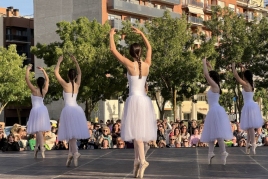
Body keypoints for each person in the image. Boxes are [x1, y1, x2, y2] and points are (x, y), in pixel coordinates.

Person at [110, 27, 157, 178]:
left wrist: (111, 35)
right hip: (143, 100)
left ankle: (142, 160)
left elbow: (113, 50)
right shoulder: (147, 65)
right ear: (140, 52)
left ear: (131, 53)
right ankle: (137, 160)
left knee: (136, 134)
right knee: (139, 133)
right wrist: (142, 34)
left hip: (135, 100)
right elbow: (150, 47)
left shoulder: (130, 65)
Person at [55, 55, 89, 167]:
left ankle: (75, 153)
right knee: (71, 134)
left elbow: (56, 73)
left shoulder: (65, 85)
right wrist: (75, 61)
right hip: (76, 109)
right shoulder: (77, 84)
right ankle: (71, 154)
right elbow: (80, 73)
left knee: (71, 135)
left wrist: (59, 62)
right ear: (74, 77)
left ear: (68, 76)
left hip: (68, 110)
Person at [200, 58, 232, 165]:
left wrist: (204, 63)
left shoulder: (214, 86)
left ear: (212, 78)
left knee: (217, 134)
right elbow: (211, 75)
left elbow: (206, 74)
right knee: (212, 134)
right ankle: (213, 153)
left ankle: (221, 152)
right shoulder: (216, 85)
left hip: (215, 111)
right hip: (214, 110)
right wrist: (210, 67)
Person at [232, 63, 263, 154]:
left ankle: (253, 144)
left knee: (250, 128)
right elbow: (247, 73)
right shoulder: (251, 84)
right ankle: (248, 146)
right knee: (250, 128)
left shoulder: (245, 84)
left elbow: (237, 77)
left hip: (248, 106)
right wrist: (243, 68)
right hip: (252, 105)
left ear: (245, 76)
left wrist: (234, 68)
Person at [25, 64, 51, 158]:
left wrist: (28, 69)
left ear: (36, 83)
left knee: (39, 130)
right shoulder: (44, 90)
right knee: (38, 130)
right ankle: (36, 147)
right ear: (43, 83)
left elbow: (27, 79)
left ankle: (42, 148)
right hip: (43, 110)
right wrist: (43, 70)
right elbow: (47, 80)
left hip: (36, 110)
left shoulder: (34, 91)